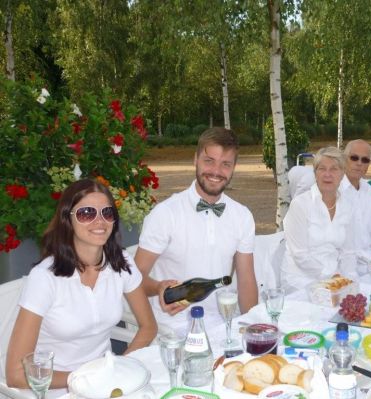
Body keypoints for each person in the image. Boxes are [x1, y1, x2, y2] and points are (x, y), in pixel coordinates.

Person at [6, 179, 156, 390]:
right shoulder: (45, 278)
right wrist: (83, 379)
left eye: (107, 212)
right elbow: (16, 374)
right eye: (87, 213)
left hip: (106, 385)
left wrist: (120, 368)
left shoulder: (120, 262)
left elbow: (148, 326)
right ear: (68, 219)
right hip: (58, 388)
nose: (100, 221)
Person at [134, 127, 258, 333]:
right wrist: (158, 288)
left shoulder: (242, 216)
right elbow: (134, 278)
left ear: (234, 167)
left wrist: (254, 326)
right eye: (209, 161)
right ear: (195, 160)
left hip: (223, 323)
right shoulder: (165, 214)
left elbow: (246, 280)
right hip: (174, 328)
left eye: (225, 164)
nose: (216, 171)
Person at [281, 147, 354, 290]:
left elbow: (349, 252)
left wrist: (350, 278)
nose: (327, 174)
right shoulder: (300, 204)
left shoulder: (347, 205)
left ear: (342, 174)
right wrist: (333, 277)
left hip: (335, 278)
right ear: (315, 173)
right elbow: (300, 255)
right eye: (322, 169)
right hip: (300, 280)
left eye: (334, 169)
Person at [341, 140, 371, 273]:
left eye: (365, 160)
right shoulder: (335, 192)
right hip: (346, 269)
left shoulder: (370, 191)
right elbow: (342, 244)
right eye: (354, 158)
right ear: (344, 159)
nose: (359, 163)